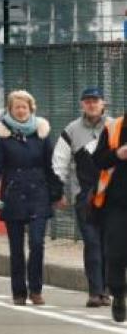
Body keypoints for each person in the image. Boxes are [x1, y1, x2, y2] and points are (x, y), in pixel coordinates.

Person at [0, 90, 62, 306]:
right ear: (10, 109)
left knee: (37, 243)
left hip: (39, 192)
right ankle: (19, 292)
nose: (21, 111)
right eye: (16, 107)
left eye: (24, 107)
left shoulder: (42, 131)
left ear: (31, 109)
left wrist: (57, 192)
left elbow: (52, 165)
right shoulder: (2, 135)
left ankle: (36, 290)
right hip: (13, 194)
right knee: (16, 247)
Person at [52, 87, 111, 308]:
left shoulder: (116, 127)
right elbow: (59, 162)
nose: (91, 104)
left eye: (95, 101)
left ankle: (106, 290)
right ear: (81, 105)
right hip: (85, 196)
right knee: (92, 242)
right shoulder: (72, 130)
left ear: (103, 103)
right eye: (87, 101)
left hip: (113, 197)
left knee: (109, 243)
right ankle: (95, 291)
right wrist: (58, 191)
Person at [92, 108, 127, 322]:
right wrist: (117, 154)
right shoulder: (114, 127)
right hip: (117, 203)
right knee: (115, 254)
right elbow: (98, 160)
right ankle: (119, 294)